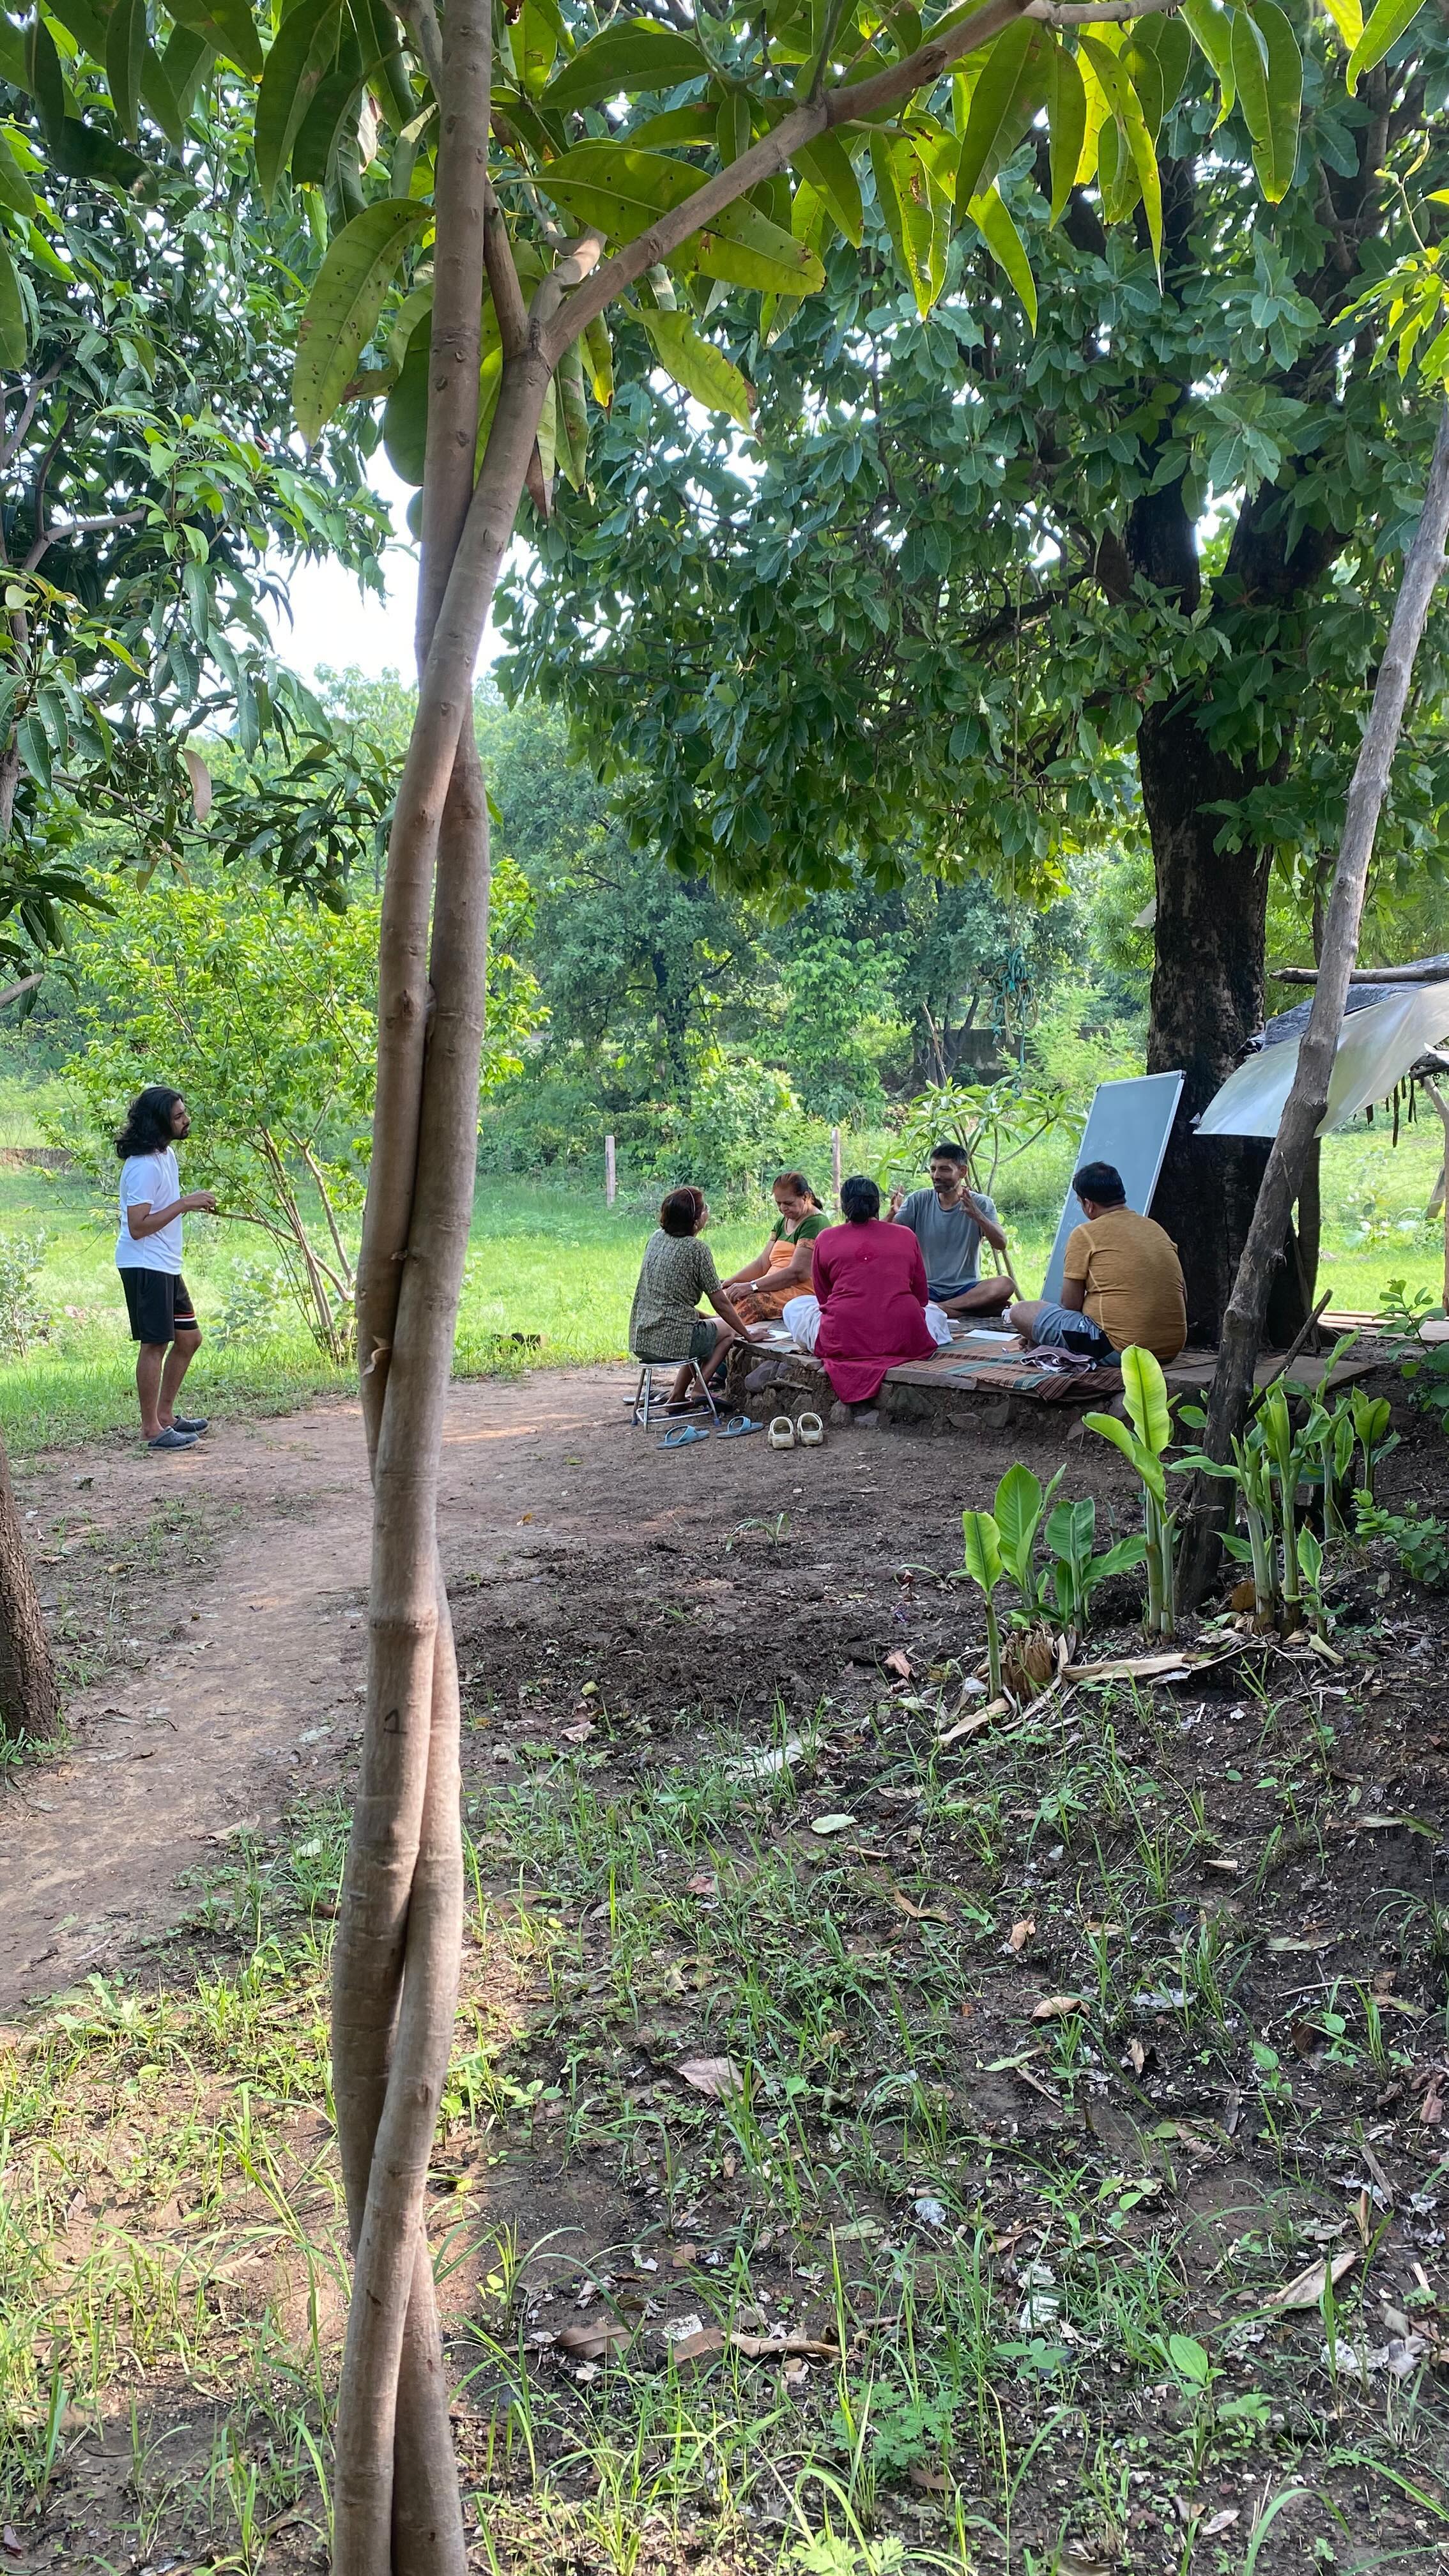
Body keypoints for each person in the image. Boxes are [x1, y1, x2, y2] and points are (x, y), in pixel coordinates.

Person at [781, 1173, 952, 1409]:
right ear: (877, 1204)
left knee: (794, 1307)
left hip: (843, 1336)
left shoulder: (826, 1238)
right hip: (903, 1335)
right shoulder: (906, 1235)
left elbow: (823, 1299)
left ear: (844, 1205)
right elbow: (921, 1297)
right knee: (936, 1313)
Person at [114, 1084, 217, 1452]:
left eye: (184, 1113)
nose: (186, 1120)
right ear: (160, 1122)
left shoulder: (164, 1156)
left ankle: (165, 1416)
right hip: (145, 1264)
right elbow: (138, 1227)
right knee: (155, 1343)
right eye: (178, 1116)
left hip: (164, 1264)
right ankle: (150, 1429)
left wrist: (183, 1204)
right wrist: (185, 1203)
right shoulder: (142, 1166)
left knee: (189, 1339)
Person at [1008, 1159, 1187, 1364]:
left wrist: (1038, 1331)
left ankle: (1055, 1345)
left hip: (1122, 1350)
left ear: (1088, 1204)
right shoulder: (1155, 1228)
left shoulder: (1085, 1234)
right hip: (1170, 1347)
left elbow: (1071, 1304)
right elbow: (1181, 1291)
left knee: (1020, 1311)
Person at [629, 1184, 760, 1408]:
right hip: (671, 1343)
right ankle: (699, 1390)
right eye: (705, 1209)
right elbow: (720, 1301)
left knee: (706, 1328)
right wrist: (747, 1334)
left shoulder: (656, 1238)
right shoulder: (697, 1249)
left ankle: (677, 1396)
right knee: (727, 1332)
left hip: (642, 1339)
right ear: (696, 1220)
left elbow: (670, 1299)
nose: (707, 1212)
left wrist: (708, 1319)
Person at [889, 1140, 1015, 1317]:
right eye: (933, 1169)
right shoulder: (919, 1200)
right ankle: (964, 1310)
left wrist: (977, 1215)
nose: (936, 1175)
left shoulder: (981, 1203)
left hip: (967, 1289)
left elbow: (1001, 1243)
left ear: (962, 1171)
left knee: (1006, 1284)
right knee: (888, 1284)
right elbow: (889, 1237)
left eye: (944, 1169)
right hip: (927, 1288)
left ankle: (940, 1309)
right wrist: (890, 1214)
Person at [721, 1172, 830, 1322]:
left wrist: (752, 1287)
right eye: (779, 1203)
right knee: (725, 1296)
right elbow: (762, 1264)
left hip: (800, 1292)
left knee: (750, 1302)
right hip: (773, 1286)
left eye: (788, 1203)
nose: (783, 1208)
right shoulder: (782, 1222)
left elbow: (798, 1273)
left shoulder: (815, 1223)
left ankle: (723, 1334)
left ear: (805, 1197)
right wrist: (731, 1282)